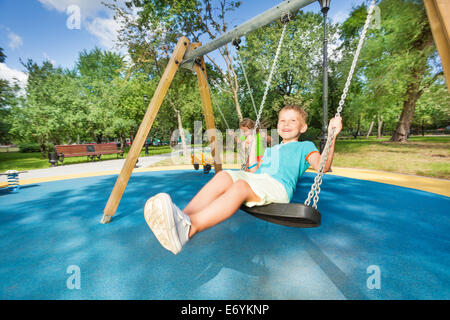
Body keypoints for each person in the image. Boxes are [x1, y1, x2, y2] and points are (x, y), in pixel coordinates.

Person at [144, 105, 342, 254]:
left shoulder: (305, 147)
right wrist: (251, 149)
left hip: (278, 188)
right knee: (224, 175)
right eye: (282, 121)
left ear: (303, 127)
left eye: (292, 121)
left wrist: (332, 136)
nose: (286, 124)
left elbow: (323, 166)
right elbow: (252, 171)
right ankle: (181, 218)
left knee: (240, 186)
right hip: (260, 181)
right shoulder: (272, 149)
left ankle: (190, 229)